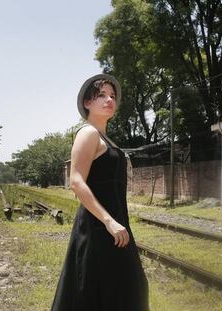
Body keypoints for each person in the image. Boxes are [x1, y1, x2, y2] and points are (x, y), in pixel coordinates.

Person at [51, 74, 149, 311]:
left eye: (112, 96)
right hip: (99, 228)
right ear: (87, 103)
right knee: (99, 292)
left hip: (115, 225)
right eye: (102, 95)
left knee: (128, 289)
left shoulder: (108, 140)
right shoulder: (88, 133)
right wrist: (108, 221)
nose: (109, 100)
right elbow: (76, 181)